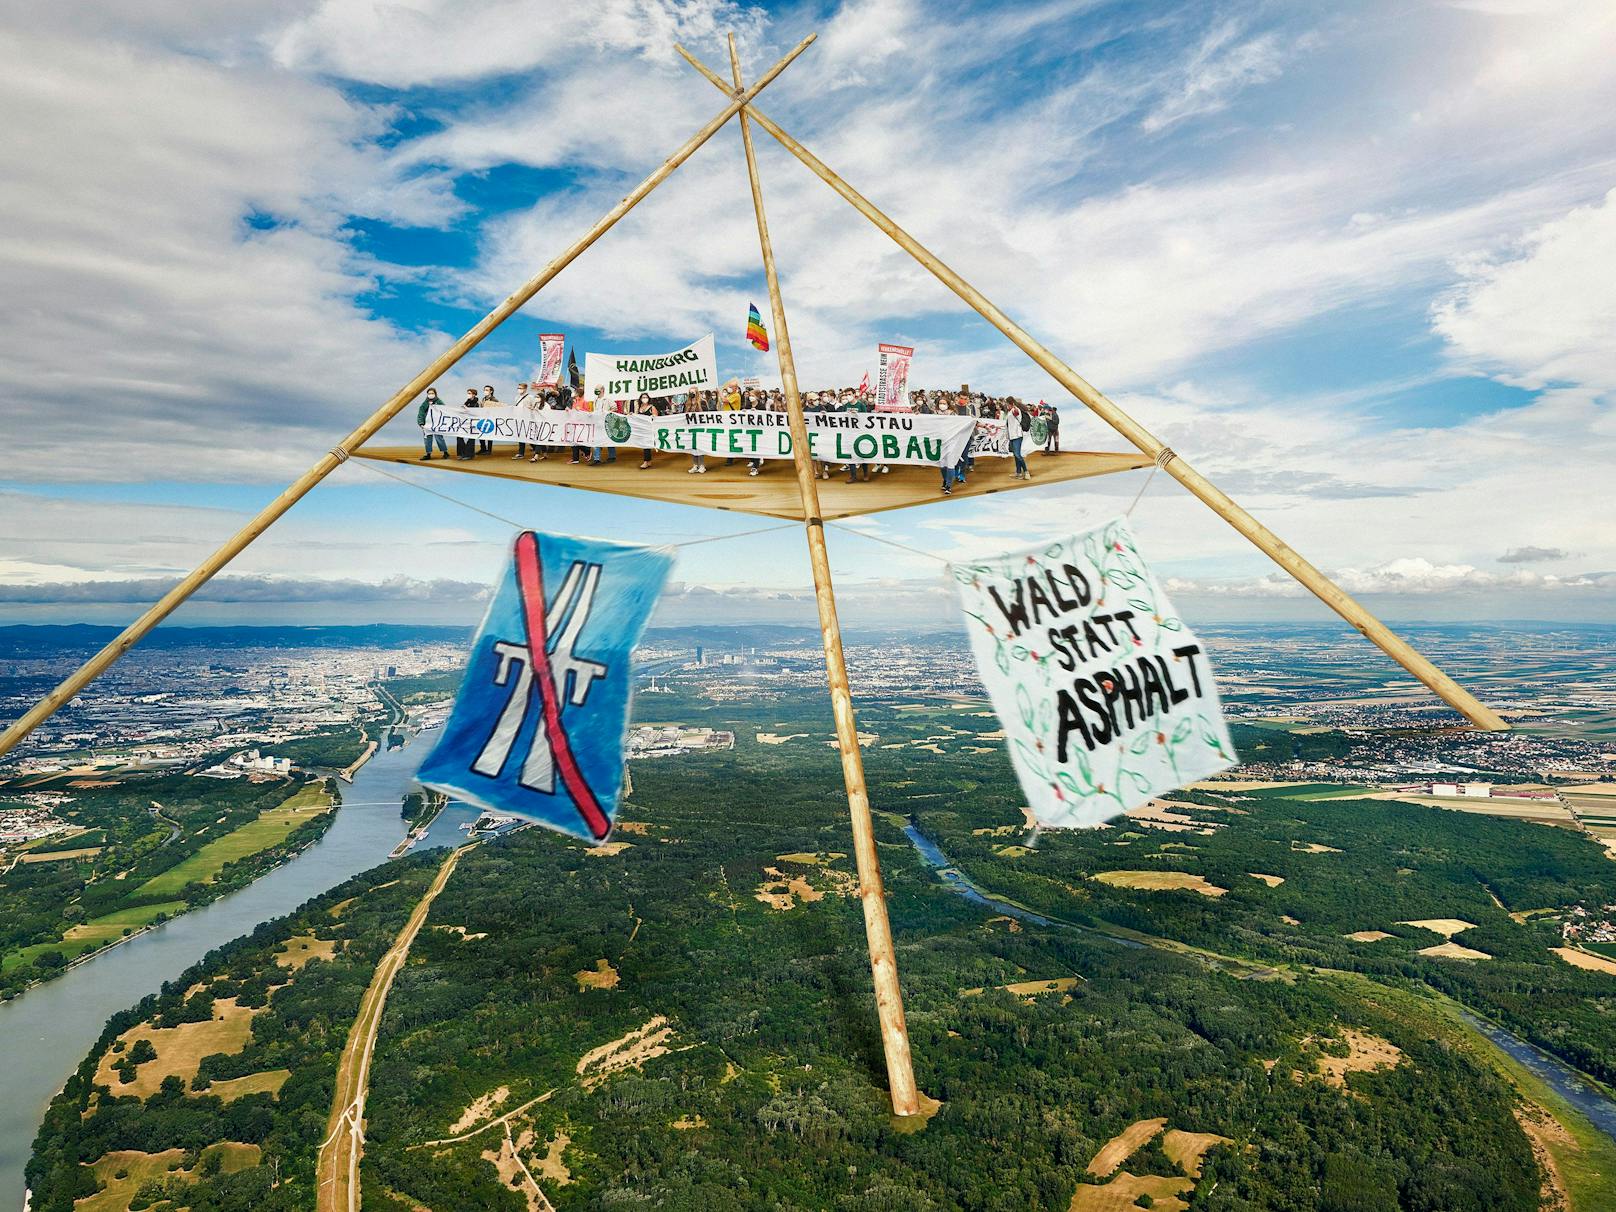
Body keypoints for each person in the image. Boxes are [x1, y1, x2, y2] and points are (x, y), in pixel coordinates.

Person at [417, 387, 448, 460]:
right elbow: (420, 413)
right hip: (427, 424)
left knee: (439, 438)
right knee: (427, 439)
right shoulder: (424, 404)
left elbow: (446, 410)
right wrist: (421, 423)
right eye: (429, 393)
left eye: (432, 393)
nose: (430, 394)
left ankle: (445, 452)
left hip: (437, 424)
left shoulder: (439, 402)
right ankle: (428, 454)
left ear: (435, 394)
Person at [1006, 398, 1032, 480]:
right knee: (1015, 455)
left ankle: (1026, 471)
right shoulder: (1010, 412)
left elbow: (1017, 413)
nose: (1006, 406)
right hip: (1012, 436)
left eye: (1007, 404)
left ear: (1011, 403)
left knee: (1017, 454)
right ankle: (1018, 473)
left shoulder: (1015, 410)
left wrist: (1014, 407)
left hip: (1017, 436)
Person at [511, 381, 534, 460]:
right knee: (521, 435)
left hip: (527, 418)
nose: (519, 389)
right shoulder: (517, 397)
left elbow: (534, 406)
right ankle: (521, 453)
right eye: (518, 388)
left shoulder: (530, 397)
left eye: (520, 388)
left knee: (529, 435)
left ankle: (537, 448)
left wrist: (531, 409)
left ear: (525, 389)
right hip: (519, 418)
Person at [635, 392, 658, 469]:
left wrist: (652, 417)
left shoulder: (652, 407)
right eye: (643, 397)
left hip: (649, 429)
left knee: (646, 445)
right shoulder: (639, 408)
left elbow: (656, 417)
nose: (644, 399)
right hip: (642, 428)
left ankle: (646, 461)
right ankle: (648, 461)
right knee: (645, 445)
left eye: (646, 397)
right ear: (640, 399)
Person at [456, 387, 479, 459]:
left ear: (474, 394)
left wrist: (467, 409)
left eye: (469, 393)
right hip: (465, 422)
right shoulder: (467, 402)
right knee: (459, 436)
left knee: (471, 438)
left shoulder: (477, 403)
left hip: (473, 423)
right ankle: (461, 453)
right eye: (468, 393)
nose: (468, 395)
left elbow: (477, 412)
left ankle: (469, 455)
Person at [478, 384, 499, 455]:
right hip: (483, 418)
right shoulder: (483, 399)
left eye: (487, 390)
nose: (485, 391)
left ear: (491, 391)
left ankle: (489, 450)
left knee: (490, 435)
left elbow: (498, 409)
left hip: (491, 419)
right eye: (484, 390)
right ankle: (483, 449)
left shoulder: (494, 400)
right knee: (481, 434)